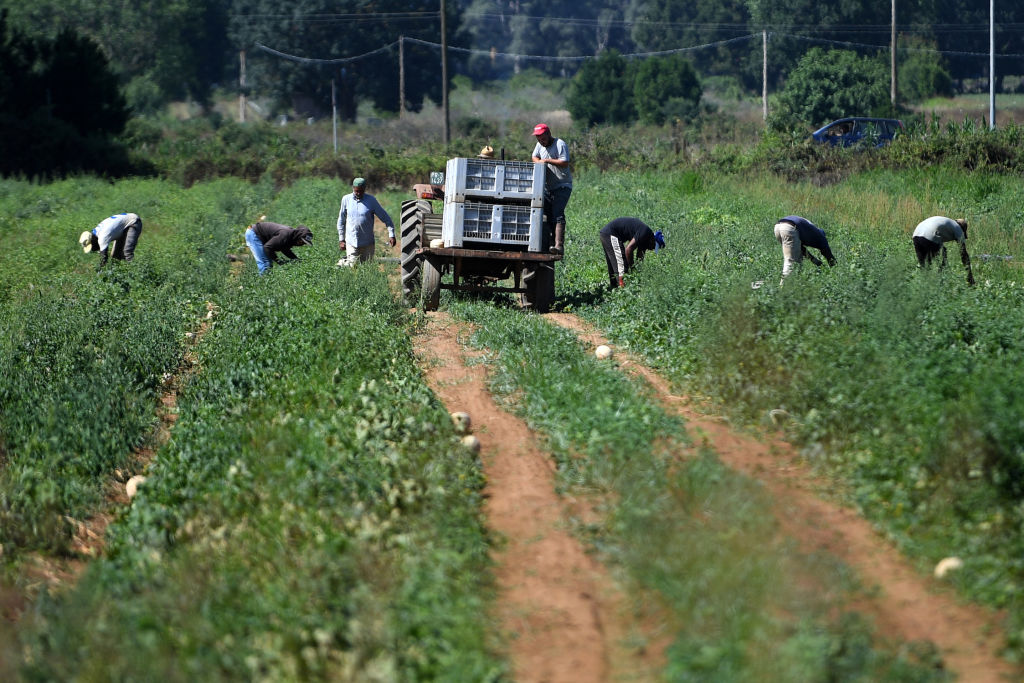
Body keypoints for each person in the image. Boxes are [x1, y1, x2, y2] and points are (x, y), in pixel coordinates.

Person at [531, 123, 572, 255]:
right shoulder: (539, 145)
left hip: (562, 185)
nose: (541, 141)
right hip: (548, 188)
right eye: (538, 139)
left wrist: (547, 161)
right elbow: (534, 156)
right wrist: (538, 162)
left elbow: (564, 162)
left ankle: (559, 246)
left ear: (548, 134)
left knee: (558, 213)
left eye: (543, 138)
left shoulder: (560, 144)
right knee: (548, 216)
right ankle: (550, 245)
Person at [336, 177, 396, 267]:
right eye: (356, 191)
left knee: (367, 267)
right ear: (353, 188)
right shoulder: (346, 199)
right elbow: (341, 220)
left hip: (367, 243)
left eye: (361, 191)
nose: (359, 193)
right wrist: (341, 239)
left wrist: (391, 234)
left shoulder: (371, 201)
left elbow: (385, 217)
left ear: (365, 189)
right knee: (352, 266)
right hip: (351, 241)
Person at [599, 217, 665, 289]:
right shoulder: (645, 232)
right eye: (654, 246)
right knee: (622, 266)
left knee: (614, 266)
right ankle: (623, 292)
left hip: (606, 234)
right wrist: (632, 269)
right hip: (611, 234)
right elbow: (628, 249)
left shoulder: (645, 242)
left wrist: (638, 274)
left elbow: (639, 259)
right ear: (652, 240)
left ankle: (614, 290)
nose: (652, 249)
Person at [773, 215, 837, 282]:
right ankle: (784, 289)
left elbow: (801, 249)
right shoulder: (821, 237)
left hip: (778, 227)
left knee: (798, 259)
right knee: (791, 262)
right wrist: (835, 269)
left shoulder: (810, 231)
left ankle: (795, 285)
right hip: (789, 228)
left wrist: (815, 261)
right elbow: (829, 256)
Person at [912, 216, 975, 284]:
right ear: (963, 229)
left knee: (924, 266)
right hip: (930, 235)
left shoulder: (948, 222)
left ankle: (923, 285)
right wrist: (969, 275)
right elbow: (963, 253)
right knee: (942, 258)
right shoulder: (958, 228)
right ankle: (941, 283)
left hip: (916, 234)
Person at [244, 219, 313, 275]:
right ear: (298, 236)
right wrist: (278, 261)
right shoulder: (285, 235)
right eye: (302, 241)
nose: (302, 244)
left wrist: (296, 259)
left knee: (268, 264)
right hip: (253, 233)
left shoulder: (291, 237)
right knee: (265, 263)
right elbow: (267, 247)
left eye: (304, 243)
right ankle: (263, 285)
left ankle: (267, 283)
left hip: (258, 234)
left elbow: (285, 249)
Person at [78, 212, 143, 267]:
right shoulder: (95, 232)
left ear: (92, 241)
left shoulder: (102, 237)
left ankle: (136, 273)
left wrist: (99, 273)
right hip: (123, 226)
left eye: (92, 247)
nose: (93, 249)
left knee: (127, 253)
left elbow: (104, 259)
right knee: (115, 257)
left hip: (133, 222)